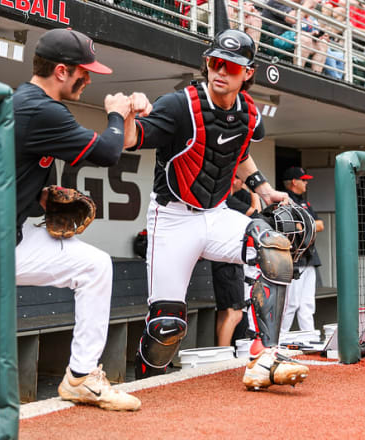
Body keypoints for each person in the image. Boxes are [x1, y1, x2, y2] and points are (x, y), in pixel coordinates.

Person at [0, 28, 151, 411]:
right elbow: (108, 151)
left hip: (10, 239)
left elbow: (15, 181)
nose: (88, 78)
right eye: (83, 71)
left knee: (93, 266)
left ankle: (82, 377)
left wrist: (42, 199)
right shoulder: (36, 108)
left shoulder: (31, 106)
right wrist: (116, 114)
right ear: (60, 70)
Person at [124, 29, 310, 390]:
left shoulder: (249, 115)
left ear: (248, 72)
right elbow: (133, 139)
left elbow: (238, 153)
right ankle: (144, 386)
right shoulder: (179, 105)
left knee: (273, 248)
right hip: (173, 218)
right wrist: (128, 115)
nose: (220, 71)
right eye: (214, 62)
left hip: (217, 214)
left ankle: (265, 355)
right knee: (166, 327)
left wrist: (264, 188)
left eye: (230, 65)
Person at [211, 177, 261, 347]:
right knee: (235, 314)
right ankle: (223, 354)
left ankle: (221, 352)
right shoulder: (227, 200)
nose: (242, 182)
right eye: (239, 177)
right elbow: (257, 215)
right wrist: (255, 190)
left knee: (225, 313)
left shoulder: (221, 199)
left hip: (221, 260)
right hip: (228, 262)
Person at [280, 166, 324, 333]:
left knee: (307, 303)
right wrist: (308, 225)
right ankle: (279, 339)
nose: (306, 183)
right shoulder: (285, 200)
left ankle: (308, 337)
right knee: (291, 303)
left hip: (309, 257)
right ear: (294, 182)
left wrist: (306, 225)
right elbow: (295, 227)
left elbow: (320, 225)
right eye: (303, 180)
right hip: (293, 258)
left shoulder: (304, 202)